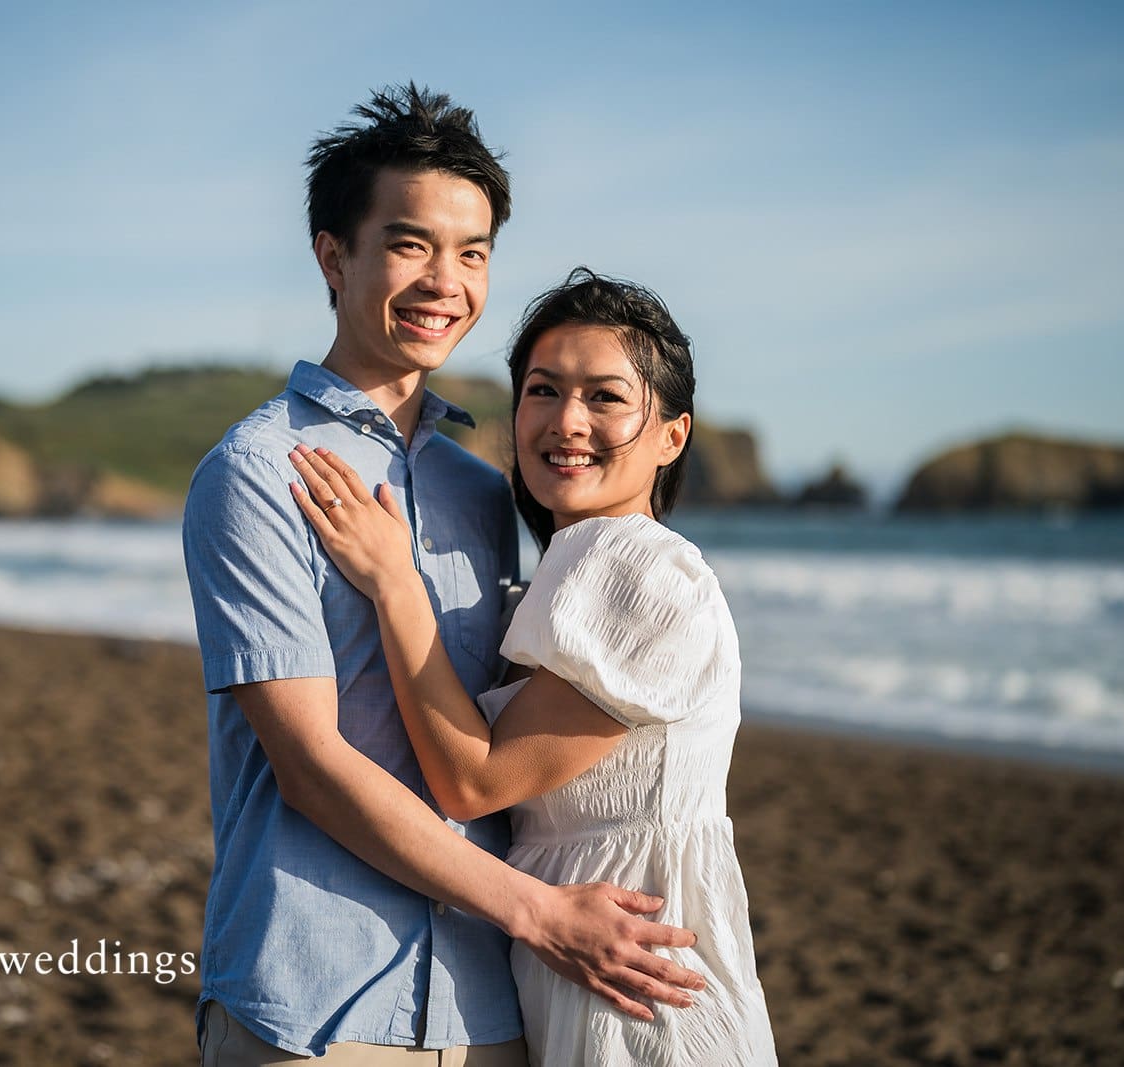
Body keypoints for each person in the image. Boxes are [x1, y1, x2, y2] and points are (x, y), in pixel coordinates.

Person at [183, 87, 705, 1066]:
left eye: (472, 253)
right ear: (333, 256)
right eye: (411, 243)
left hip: (485, 1012)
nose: (445, 281)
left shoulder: (483, 490)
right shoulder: (256, 471)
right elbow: (308, 764)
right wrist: (541, 910)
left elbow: (494, 737)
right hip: (312, 1006)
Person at [287, 269, 779, 1065]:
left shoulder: (639, 569)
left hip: (640, 993)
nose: (566, 421)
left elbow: (473, 780)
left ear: (672, 435)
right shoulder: (569, 565)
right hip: (583, 968)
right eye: (543, 390)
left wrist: (395, 583)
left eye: (607, 397)